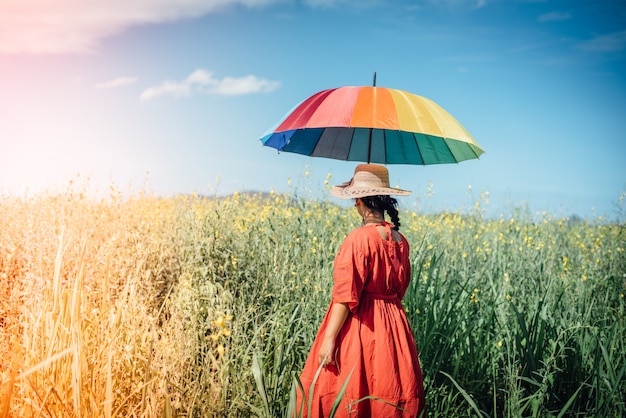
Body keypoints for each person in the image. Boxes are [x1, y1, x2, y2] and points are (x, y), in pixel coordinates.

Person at [296, 164, 425, 417]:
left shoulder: (358, 239)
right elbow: (400, 290)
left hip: (361, 324)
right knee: (388, 390)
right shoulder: (401, 241)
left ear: (359, 201)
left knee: (349, 392)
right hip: (394, 326)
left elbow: (345, 295)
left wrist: (330, 338)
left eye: (356, 200)